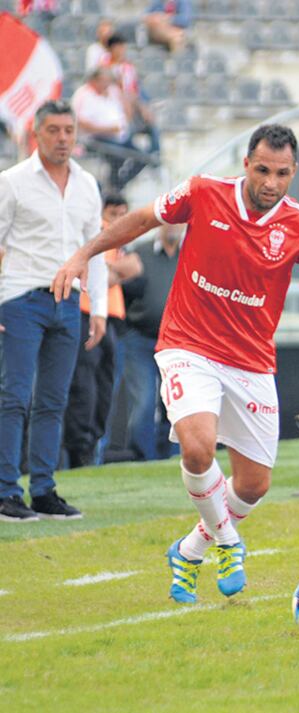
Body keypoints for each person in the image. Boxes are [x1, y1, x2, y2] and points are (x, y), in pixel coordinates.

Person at [52, 124, 299, 602]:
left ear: (294, 171)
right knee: (198, 449)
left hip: (251, 361)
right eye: (263, 170)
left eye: (282, 173)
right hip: (187, 345)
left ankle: (189, 550)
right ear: (246, 163)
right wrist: (83, 255)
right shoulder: (203, 192)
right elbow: (143, 219)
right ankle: (229, 542)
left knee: (254, 484)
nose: (271, 182)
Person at [0, 99, 107, 522]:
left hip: (68, 303)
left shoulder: (87, 184)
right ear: (36, 133)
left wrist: (97, 307)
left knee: (53, 400)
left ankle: (43, 488)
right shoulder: (12, 182)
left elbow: (94, 250)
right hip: (21, 296)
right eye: (54, 130)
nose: (62, 138)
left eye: (68, 130)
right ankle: (7, 490)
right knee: (14, 397)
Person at [63, 193, 135, 467]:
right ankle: (79, 453)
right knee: (85, 389)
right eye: (114, 214)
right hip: (85, 314)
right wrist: (111, 272)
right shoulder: (98, 233)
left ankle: (89, 450)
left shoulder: (118, 240)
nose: (120, 220)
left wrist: (109, 271)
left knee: (103, 392)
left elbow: (134, 268)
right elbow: (99, 273)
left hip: (109, 318)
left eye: (123, 214)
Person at [119, 223, 181, 461]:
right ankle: (143, 457)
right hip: (140, 337)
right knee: (144, 400)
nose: (175, 226)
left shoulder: (190, 254)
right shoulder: (139, 253)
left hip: (177, 343)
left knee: (175, 402)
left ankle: (172, 458)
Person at [72, 67, 150, 191]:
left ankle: (118, 185)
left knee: (143, 156)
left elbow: (127, 114)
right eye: (104, 80)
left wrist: (121, 90)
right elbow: (80, 122)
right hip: (96, 139)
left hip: (120, 137)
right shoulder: (84, 94)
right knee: (118, 156)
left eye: (108, 80)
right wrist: (107, 129)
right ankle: (113, 187)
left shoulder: (112, 92)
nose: (106, 83)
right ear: (94, 80)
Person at [103, 33, 161, 157]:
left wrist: (143, 108)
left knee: (151, 124)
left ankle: (154, 157)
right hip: (114, 107)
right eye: (119, 47)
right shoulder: (104, 66)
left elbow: (134, 90)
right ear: (112, 48)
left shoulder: (129, 67)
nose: (122, 50)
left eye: (123, 47)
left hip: (131, 105)